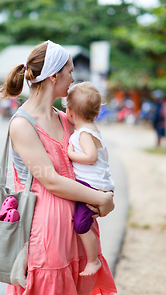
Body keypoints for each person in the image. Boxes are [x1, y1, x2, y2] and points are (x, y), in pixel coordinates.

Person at [0, 41, 116, 295]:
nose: (73, 78)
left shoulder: (66, 119)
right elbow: (49, 179)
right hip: (47, 232)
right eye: (70, 71)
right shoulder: (22, 124)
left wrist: (107, 194)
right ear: (53, 76)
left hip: (79, 227)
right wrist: (101, 199)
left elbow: (94, 163)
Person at [66, 82, 116, 277]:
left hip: (92, 185)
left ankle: (93, 261)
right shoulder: (91, 128)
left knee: (80, 224)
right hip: (97, 184)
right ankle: (92, 259)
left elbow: (91, 157)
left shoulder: (84, 134)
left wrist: (70, 154)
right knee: (83, 221)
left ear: (70, 113)